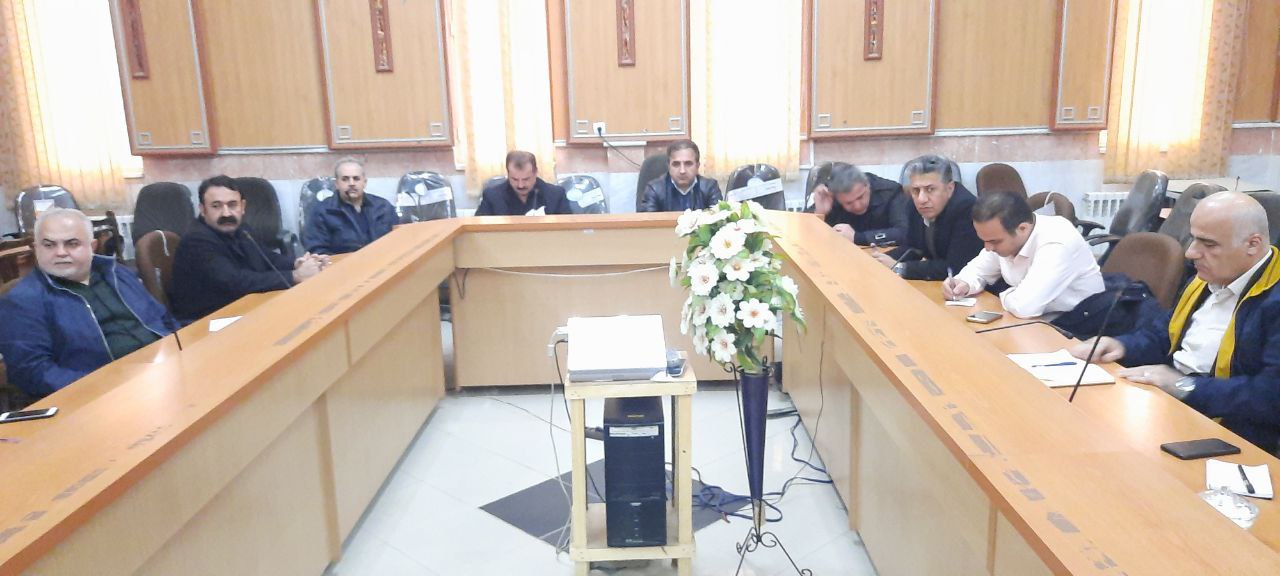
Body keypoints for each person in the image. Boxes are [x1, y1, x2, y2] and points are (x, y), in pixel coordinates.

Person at [1070, 192, 1280, 451]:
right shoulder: (1208, 278)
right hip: (1171, 403)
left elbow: (1270, 396)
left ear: (1253, 245)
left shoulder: (1272, 299)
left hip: (1228, 431)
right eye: (1193, 238)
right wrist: (1122, 345)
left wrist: (1183, 385)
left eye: (1208, 244)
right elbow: (1165, 334)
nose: (1191, 252)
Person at [0, 208, 177, 399]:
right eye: (49, 245)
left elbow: (162, 318)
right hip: (105, 394)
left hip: (162, 370)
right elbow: (31, 373)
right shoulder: (23, 300)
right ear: (36, 249)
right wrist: (104, 385)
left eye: (72, 243)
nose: (60, 253)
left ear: (92, 246)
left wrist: (182, 350)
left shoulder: (117, 273)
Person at [169, 175, 327, 324]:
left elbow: (265, 257)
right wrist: (295, 276)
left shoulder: (240, 229)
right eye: (216, 206)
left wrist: (296, 263)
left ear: (242, 206)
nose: (226, 213)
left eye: (232, 205)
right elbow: (235, 281)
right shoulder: (196, 241)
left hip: (241, 309)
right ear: (203, 210)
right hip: (205, 323)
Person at [944, 189, 1104, 318]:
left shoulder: (1057, 242)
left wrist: (1006, 294)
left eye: (994, 242)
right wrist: (963, 283)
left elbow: (1024, 307)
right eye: (984, 240)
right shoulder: (1003, 235)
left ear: (1022, 228)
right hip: (1036, 320)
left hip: (1078, 322)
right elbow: (978, 270)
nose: (988, 248)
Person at [871, 155, 982, 278]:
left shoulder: (967, 209)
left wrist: (900, 268)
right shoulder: (914, 204)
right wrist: (879, 260)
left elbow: (955, 268)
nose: (921, 199)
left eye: (930, 189)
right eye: (916, 190)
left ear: (950, 188)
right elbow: (913, 248)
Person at [303, 157, 397, 255]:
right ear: (336, 184)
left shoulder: (383, 207)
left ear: (364, 182)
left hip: (384, 262)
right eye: (345, 179)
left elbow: (399, 241)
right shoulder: (322, 212)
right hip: (341, 264)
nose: (351, 183)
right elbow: (317, 251)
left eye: (356, 179)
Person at [811, 162, 909, 246]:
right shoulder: (830, 197)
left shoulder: (890, 192)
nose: (857, 206)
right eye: (849, 203)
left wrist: (858, 237)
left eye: (860, 197)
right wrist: (820, 214)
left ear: (867, 185)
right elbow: (806, 237)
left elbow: (904, 233)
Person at [475, 151, 572, 216]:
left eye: (526, 179)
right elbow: (478, 231)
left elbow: (568, 231)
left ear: (535, 173)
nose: (520, 185)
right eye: (515, 179)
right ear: (508, 174)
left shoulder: (556, 195)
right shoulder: (492, 196)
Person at [639, 140, 723, 212]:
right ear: (669, 166)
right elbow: (648, 224)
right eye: (676, 164)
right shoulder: (654, 189)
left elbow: (719, 221)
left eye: (688, 164)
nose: (682, 171)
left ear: (697, 166)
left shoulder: (710, 188)